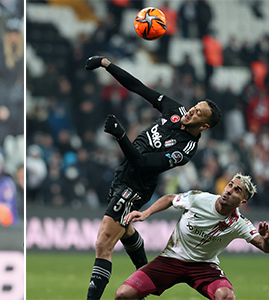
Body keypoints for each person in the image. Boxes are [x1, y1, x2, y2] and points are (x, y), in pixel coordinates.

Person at [83, 55, 222, 299]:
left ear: (204, 126)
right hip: (124, 172)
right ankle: (145, 277)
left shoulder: (185, 149)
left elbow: (143, 163)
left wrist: (120, 136)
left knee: (103, 243)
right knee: (124, 230)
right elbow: (138, 87)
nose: (191, 111)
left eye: (198, 112)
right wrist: (106, 64)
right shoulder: (175, 110)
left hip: (137, 184)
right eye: (194, 106)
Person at [114, 173, 269, 300]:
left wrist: (267, 239)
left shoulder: (239, 223)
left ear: (242, 203)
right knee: (123, 295)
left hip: (203, 267)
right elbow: (170, 199)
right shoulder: (200, 199)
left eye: (237, 190)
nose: (229, 190)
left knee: (227, 297)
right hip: (170, 259)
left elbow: (267, 248)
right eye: (230, 185)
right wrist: (145, 213)